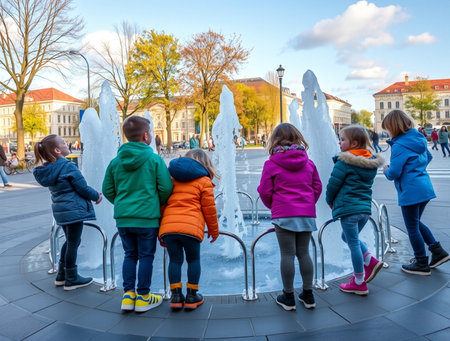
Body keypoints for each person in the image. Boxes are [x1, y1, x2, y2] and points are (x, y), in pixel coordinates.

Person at [102, 116, 173, 312]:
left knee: (130, 255)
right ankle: (143, 297)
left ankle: (128, 296)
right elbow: (166, 187)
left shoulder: (115, 162)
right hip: (147, 218)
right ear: (145, 135)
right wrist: (153, 204)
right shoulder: (154, 159)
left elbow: (107, 189)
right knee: (146, 256)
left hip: (124, 219)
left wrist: (122, 204)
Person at [257, 123, 322, 311]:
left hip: (283, 213)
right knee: (304, 253)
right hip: (306, 213)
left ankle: (288, 296)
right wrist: (308, 203)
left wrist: (274, 206)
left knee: (287, 254)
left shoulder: (271, 163)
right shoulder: (308, 162)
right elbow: (317, 186)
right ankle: (308, 295)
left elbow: (265, 190)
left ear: (275, 139)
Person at [382, 110, 450, 275]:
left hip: (411, 191)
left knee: (412, 226)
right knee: (416, 223)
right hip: (424, 187)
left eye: (387, 129)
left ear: (393, 127)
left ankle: (421, 262)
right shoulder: (418, 138)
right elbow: (428, 157)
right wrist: (416, 168)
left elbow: (394, 173)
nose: (387, 132)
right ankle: (438, 252)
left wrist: (386, 170)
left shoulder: (399, 145)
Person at [33, 134, 102, 290]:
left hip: (61, 210)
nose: (67, 144)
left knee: (71, 241)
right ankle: (72, 278)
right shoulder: (68, 166)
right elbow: (82, 187)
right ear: (57, 150)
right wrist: (96, 196)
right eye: (64, 143)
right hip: (74, 210)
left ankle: (61, 275)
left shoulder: (48, 169)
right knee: (73, 242)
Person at [326, 125, 384, 295]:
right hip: (364, 210)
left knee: (353, 244)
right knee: (348, 237)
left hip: (349, 210)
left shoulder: (344, 162)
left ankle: (359, 282)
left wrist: (329, 200)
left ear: (354, 143)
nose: (339, 142)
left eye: (343, 139)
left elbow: (333, 184)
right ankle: (370, 260)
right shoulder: (370, 163)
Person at [159, 149, 219, 310]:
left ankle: (176, 296)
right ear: (206, 164)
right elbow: (209, 209)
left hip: (169, 228)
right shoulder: (204, 181)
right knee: (193, 260)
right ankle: (192, 296)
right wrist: (214, 230)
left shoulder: (171, 179)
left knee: (175, 260)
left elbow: (162, 203)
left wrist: (161, 229)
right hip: (191, 229)